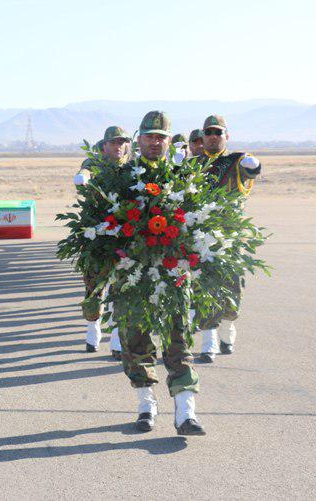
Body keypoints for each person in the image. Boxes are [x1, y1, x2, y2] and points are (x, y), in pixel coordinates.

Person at [115, 111, 204, 436]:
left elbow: (199, 223)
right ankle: (146, 405)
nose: (155, 141)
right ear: (138, 139)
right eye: (149, 136)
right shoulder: (121, 178)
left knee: (178, 340)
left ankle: (185, 414)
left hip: (173, 275)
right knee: (136, 342)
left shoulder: (183, 177)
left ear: (169, 140)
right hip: (132, 275)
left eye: (160, 136)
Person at [195, 114, 261, 362]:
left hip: (230, 238)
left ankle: (226, 328)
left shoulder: (236, 162)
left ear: (227, 136)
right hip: (201, 237)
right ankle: (208, 343)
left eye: (218, 133)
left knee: (232, 295)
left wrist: (254, 166)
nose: (213, 137)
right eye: (209, 133)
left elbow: (252, 171)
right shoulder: (192, 165)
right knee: (204, 288)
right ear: (202, 137)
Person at [73, 126, 130, 358]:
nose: (118, 146)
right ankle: (92, 330)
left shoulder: (130, 166)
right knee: (93, 289)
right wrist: (83, 180)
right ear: (104, 145)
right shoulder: (93, 164)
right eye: (114, 142)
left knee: (122, 289)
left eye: (122, 142)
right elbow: (84, 174)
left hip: (124, 235)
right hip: (96, 234)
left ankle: (116, 340)